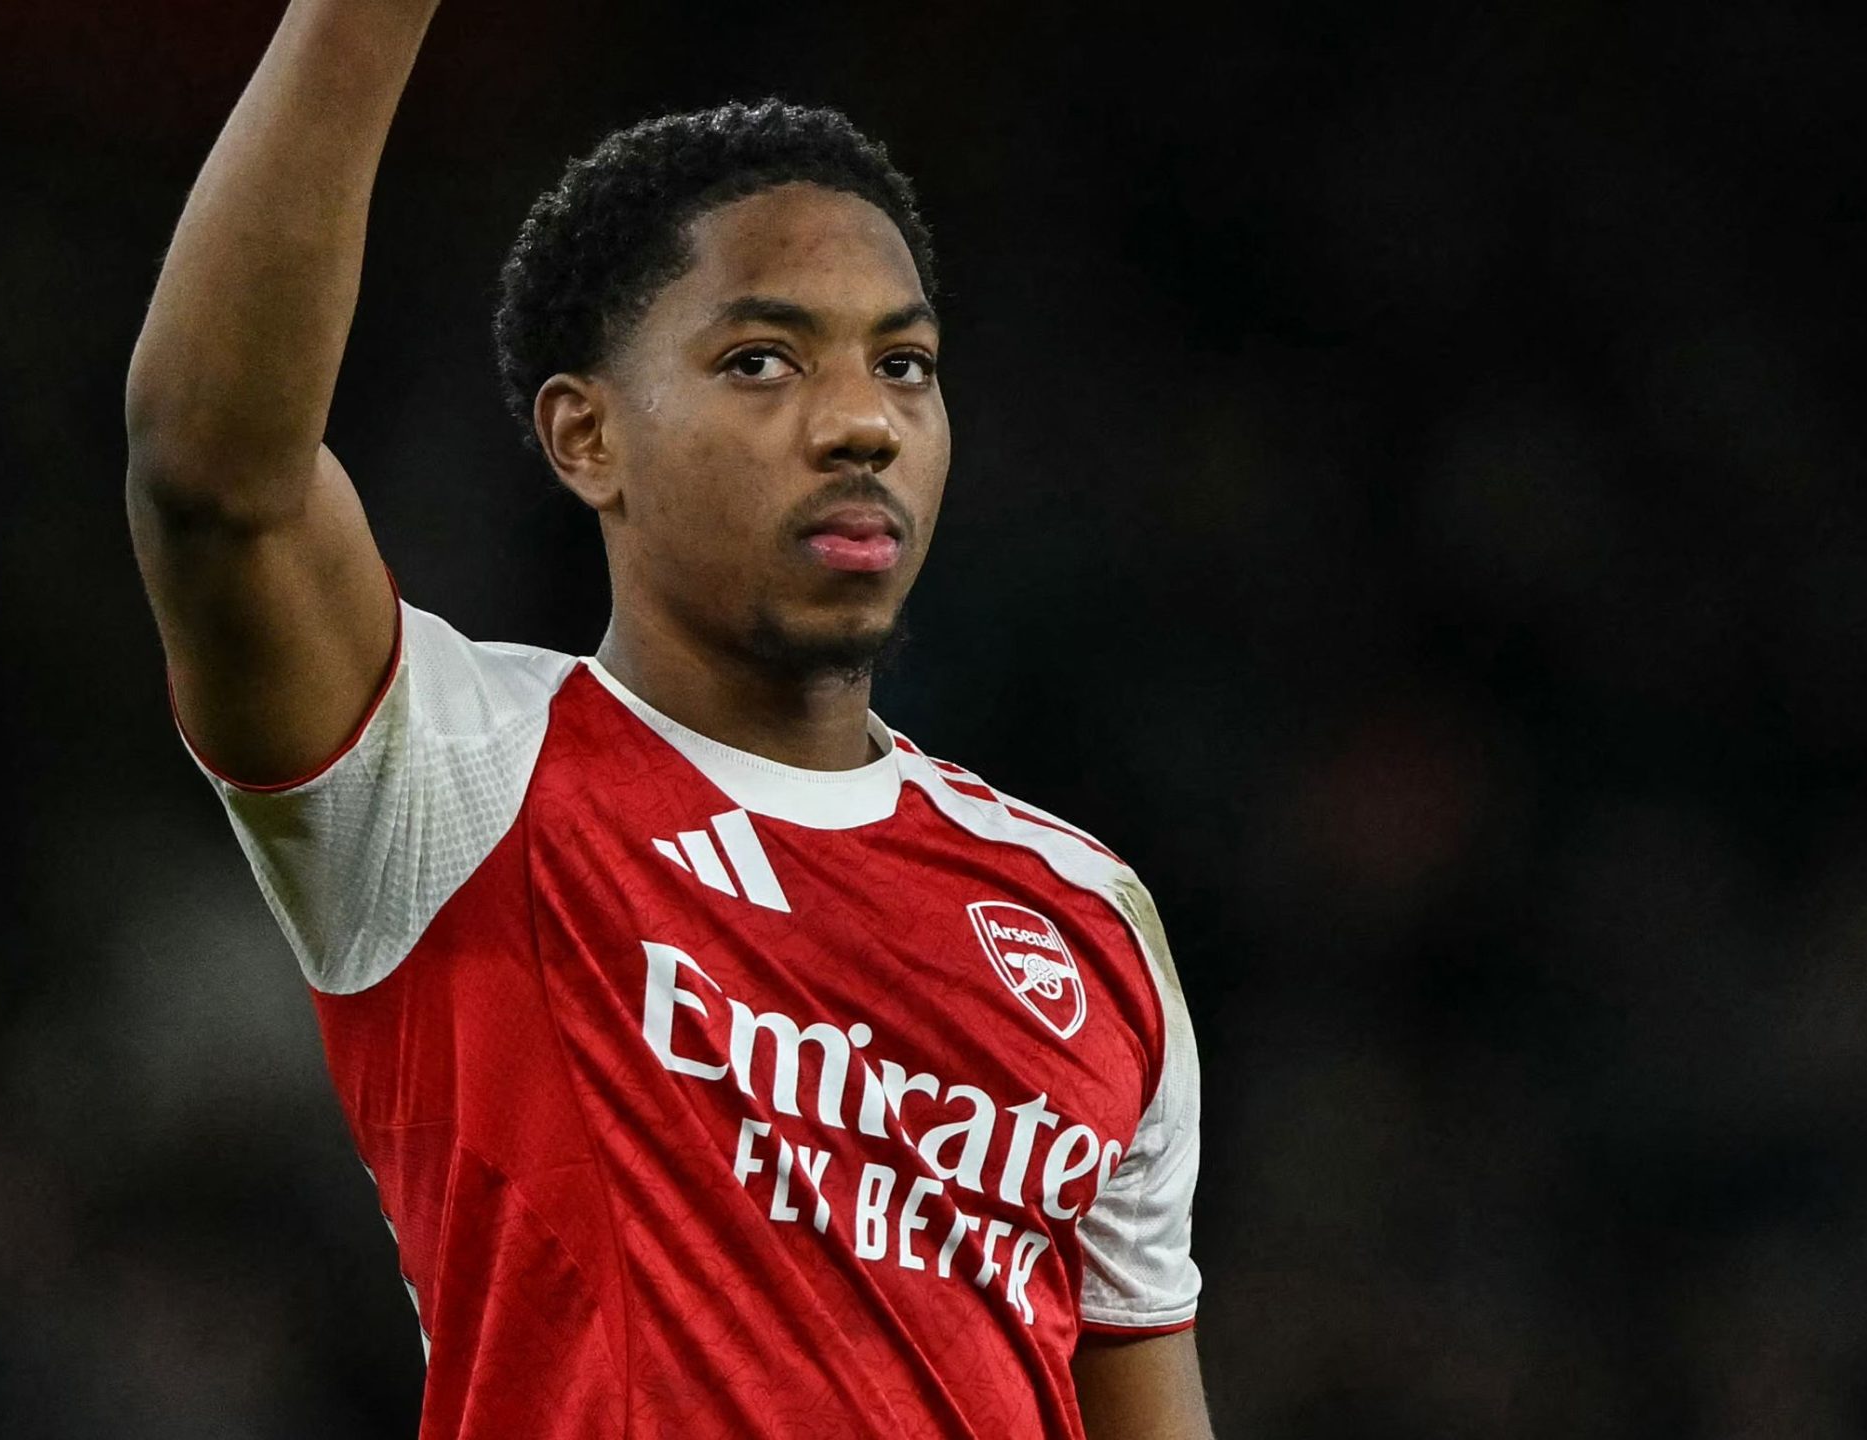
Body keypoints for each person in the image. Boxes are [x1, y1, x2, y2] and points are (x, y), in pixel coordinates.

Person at [123, 2, 1208, 1435]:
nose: (863, 422)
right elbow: (215, 481)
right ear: (586, 436)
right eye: (763, 360)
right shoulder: (458, 777)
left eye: (904, 364)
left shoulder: (1084, 918)